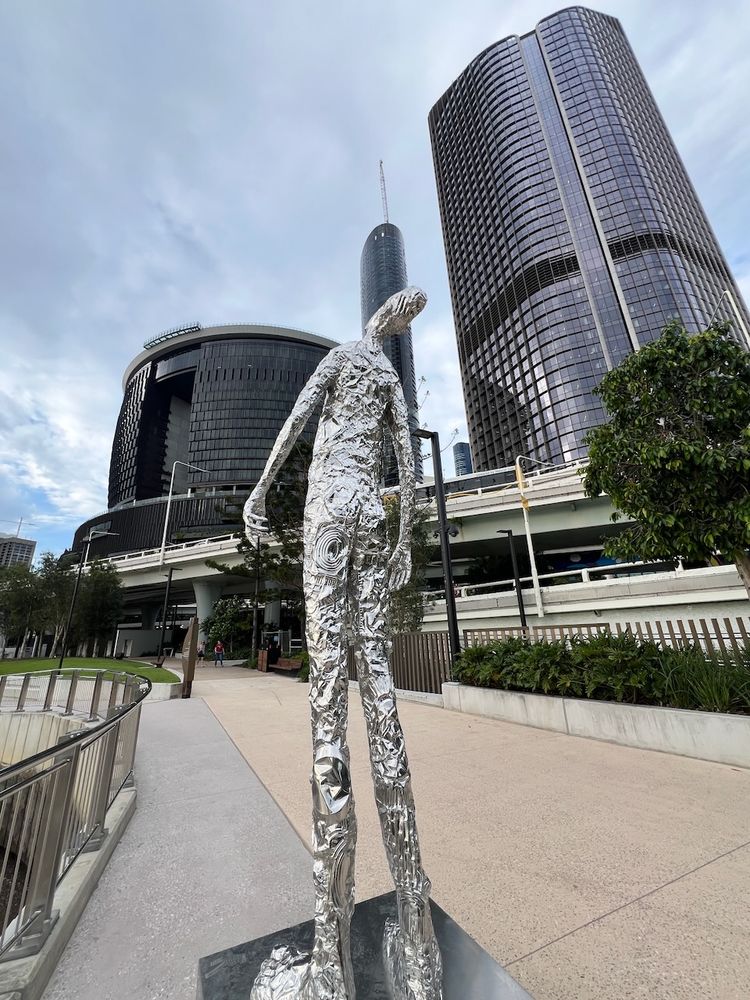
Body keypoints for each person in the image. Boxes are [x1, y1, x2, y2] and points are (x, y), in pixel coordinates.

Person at [245, 286, 441, 999]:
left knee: (329, 703)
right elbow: (408, 465)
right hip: (368, 511)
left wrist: (261, 490)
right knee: (381, 698)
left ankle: (331, 964)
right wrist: (402, 541)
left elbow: (299, 420)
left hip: (330, 509)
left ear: (374, 318)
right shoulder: (388, 376)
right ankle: (419, 949)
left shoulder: (343, 358)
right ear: (398, 323)